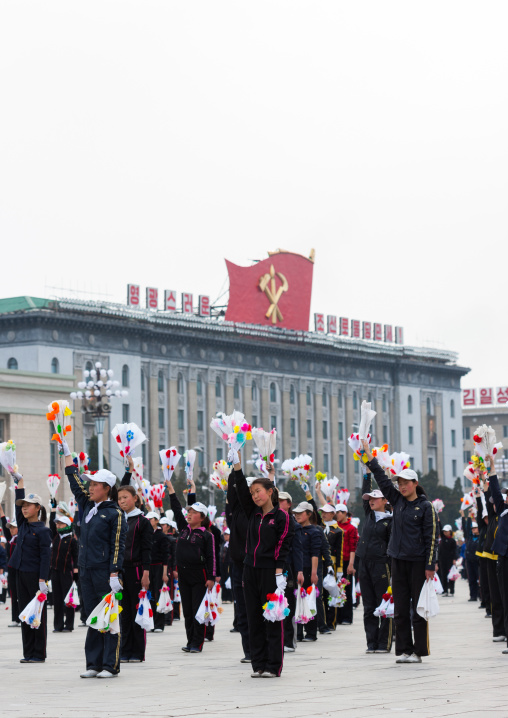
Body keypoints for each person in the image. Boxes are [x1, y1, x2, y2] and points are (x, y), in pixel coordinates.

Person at [361, 439, 437, 664]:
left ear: (415, 483)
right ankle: (404, 650)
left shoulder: (425, 507)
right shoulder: (396, 501)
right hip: (397, 561)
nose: (401, 486)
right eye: (399, 483)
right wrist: (369, 456)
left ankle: (419, 651)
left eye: (405, 483)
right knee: (401, 607)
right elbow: (382, 479)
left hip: (417, 562)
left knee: (417, 609)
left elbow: (432, 538)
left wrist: (430, 565)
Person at [64, 447, 127, 678]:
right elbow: (74, 482)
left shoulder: (115, 514)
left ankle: (111, 665)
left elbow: (118, 546)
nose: (90, 488)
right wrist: (66, 452)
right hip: (87, 571)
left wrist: (114, 573)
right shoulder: (88, 506)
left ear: (107, 489)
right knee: (92, 616)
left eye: (95, 485)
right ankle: (93, 664)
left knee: (110, 617)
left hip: (105, 572)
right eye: (90, 484)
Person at [233, 454, 294, 678]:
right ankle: (258, 664)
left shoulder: (281, 516)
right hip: (250, 570)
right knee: (253, 618)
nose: (254, 495)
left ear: (270, 491)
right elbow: (239, 488)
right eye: (252, 493)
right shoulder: (253, 513)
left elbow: (283, 545)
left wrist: (279, 573)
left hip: (271, 572)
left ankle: (273, 665)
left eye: (258, 491)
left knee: (272, 619)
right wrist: (237, 465)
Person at [165, 478, 215, 653]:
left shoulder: (206, 536)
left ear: (201, 518)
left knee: (197, 610)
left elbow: (211, 557)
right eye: (189, 512)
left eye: (194, 513)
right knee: (187, 610)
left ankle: (197, 643)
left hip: (199, 575)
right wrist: (171, 489)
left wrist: (211, 577)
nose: (189, 514)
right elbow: (177, 509)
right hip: (184, 574)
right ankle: (189, 641)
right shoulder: (184, 529)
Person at [8, 473, 52, 664]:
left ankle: (38, 653)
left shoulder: (43, 530)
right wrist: (20, 484)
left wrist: (43, 579)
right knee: (25, 613)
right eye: (23, 506)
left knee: (37, 614)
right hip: (20, 573)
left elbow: (46, 557)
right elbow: (18, 507)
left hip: (36, 577)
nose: (24, 509)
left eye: (28, 506)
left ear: (38, 508)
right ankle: (28, 653)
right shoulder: (24, 525)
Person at [356, 470, 393, 654]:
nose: (371, 501)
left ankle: (384, 643)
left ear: (385, 500)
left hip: (381, 565)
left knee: (384, 604)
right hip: (365, 564)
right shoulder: (369, 515)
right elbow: (365, 491)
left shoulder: (391, 521)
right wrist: (367, 473)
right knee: (368, 606)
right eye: (369, 498)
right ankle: (371, 642)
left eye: (375, 498)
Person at [117, 484, 153, 662]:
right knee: (123, 613)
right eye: (119, 498)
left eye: (125, 497)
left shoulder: (142, 521)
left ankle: (138, 653)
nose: (122, 501)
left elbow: (147, 549)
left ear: (135, 499)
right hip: (121, 571)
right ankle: (124, 651)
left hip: (138, 570)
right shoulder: (118, 520)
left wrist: (146, 573)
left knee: (136, 611)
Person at [226, 465, 252, 663]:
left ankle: (261, 649)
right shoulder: (234, 513)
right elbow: (234, 492)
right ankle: (248, 652)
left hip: (254, 566)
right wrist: (233, 468)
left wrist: (238, 469)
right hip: (237, 566)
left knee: (255, 610)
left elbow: (240, 488)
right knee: (242, 610)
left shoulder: (256, 514)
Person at [486, 454, 508, 652]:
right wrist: (491, 469)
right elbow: (494, 490)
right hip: (503, 559)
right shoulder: (502, 510)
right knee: (505, 598)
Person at [277, 490, 303, 653]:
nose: (279, 503)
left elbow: (298, 550)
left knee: (288, 604)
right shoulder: (273, 521)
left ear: (289, 504)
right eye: (277, 501)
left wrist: (299, 570)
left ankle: (289, 641)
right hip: (273, 567)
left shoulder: (294, 525)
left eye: (282, 501)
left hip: (288, 568)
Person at [293, 501, 322, 642]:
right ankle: (297, 633)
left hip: (308, 570)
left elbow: (315, 554)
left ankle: (311, 633)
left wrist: (314, 573)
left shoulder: (314, 532)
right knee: (297, 600)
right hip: (297, 569)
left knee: (309, 600)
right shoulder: (295, 529)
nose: (297, 515)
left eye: (300, 513)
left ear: (309, 514)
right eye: (296, 513)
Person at [48, 504, 79, 632]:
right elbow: (50, 523)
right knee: (57, 599)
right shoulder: (55, 537)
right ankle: (58, 625)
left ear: (66, 525)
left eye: (60, 524)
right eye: (57, 524)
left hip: (67, 573)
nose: (58, 525)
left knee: (68, 600)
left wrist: (76, 571)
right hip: (55, 572)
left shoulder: (72, 540)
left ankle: (69, 625)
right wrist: (53, 508)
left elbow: (76, 556)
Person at [146, 511, 170, 633]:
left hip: (159, 567)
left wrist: (164, 573)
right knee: (148, 595)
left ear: (156, 520)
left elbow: (166, 556)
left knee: (158, 594)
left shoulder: (162, 536)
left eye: (151, 519)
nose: (149, 521)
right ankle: (151, 622)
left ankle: (159, 623)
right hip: (148, 568)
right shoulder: (146, 534)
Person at [335, 502, 358, 625]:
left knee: (346, 590)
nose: (337, 515)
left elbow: (353, 547)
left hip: (346, 562)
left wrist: (351, 564)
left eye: (339, 512)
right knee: (336, 590)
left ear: (344, 513)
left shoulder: (351, 528)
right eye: (336, 512)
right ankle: (337, 617)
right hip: (336, 563)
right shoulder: (334, 526)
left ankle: (347, 617)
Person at [0, 506, 20, 627]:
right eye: (11, 527)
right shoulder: (11, 539)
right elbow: (5, 528)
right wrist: (2, 514)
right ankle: (15, 619)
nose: (11, 530)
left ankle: (21, 617)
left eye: (14, 527)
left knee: (20, 594)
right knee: (13, 594)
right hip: (12, 570)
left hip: (19, 569)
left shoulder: (21, 538)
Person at [462, 509, 480, 601]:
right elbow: (467, 528)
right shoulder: (469, 537)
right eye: (472, 529)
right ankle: (473, 596)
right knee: (471, 579)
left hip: (478, 561)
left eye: (475, 528)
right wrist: (468, 516)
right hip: (469, 561)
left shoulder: (481, 538)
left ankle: (480, 595)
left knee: (479, 579)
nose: (473, 530)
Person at [438, 524, 457, 597]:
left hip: (450, 560)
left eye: (447, 531)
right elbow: (439, 529)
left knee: (451, 576)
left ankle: (452, 591)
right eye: (444, 531)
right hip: (442, 560)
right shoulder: (442, 539)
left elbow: (454, 550)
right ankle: (445, 590)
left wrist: (454, 559)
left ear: (450, 531)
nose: (445, 533)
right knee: (443, 575)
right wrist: (439, 521)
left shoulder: (452, 541)